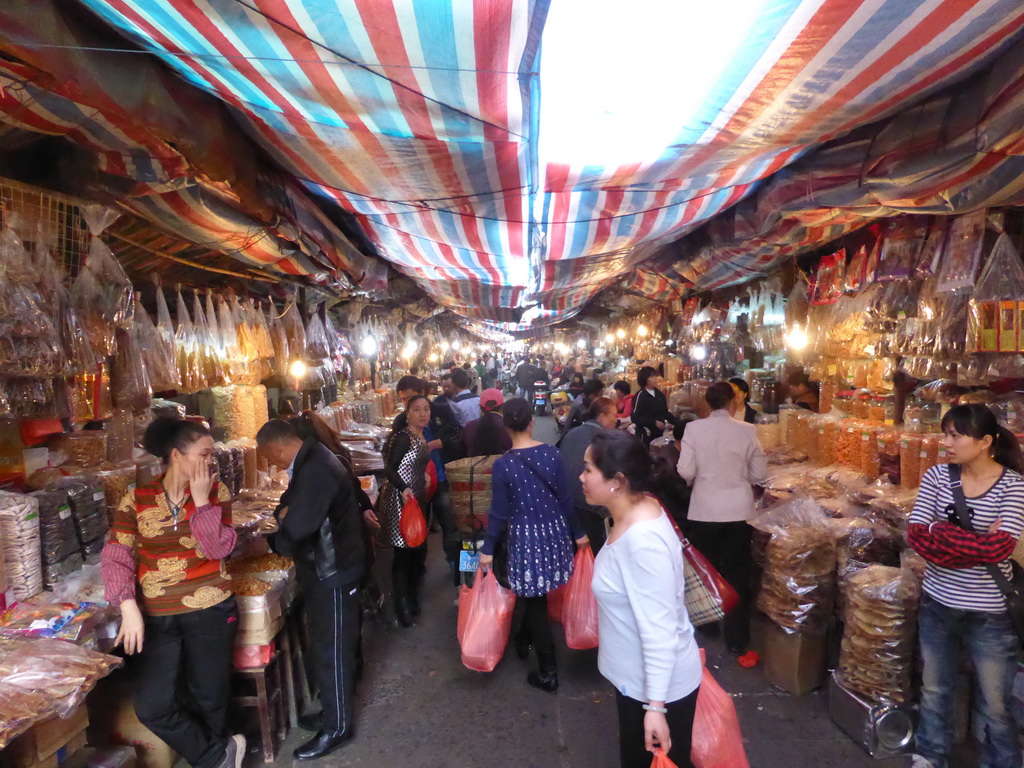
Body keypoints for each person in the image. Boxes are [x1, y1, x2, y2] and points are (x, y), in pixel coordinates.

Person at [101, 418, 245, 768]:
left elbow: (217, 549)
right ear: (177, 455)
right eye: (205, 454)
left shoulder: (216, 493)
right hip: (158, 616)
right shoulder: (137, 499)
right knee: (153, 705)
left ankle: (212, 760)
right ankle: (219, 755)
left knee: (209, 697)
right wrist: (128, 606)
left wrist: (202, 503)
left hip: (211, 609)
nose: (211, 462)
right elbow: (116, 555)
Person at [906, 404, 1024, 768]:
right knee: (934, 690)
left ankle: (1002, 762)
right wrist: (964, 545)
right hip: (938, 603)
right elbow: (916, 536)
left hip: (990, 613)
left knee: (996, 703)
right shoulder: (938, 477)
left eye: (955, 435)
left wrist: (942, 535)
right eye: (946, 434)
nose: (946, 443)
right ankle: (930, 755)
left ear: (985, 441)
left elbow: (1001, 546)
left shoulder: (1015, 486)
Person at [581, 431, 702, 768]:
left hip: (655, 691)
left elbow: (659, 631)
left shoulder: (642, 542)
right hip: (637, 683)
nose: (581, 477)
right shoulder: (636, 509)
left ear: (617, 480)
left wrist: (656, 709)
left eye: (588, 469)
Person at [256, 419, 366, 760]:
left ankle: (337, 727)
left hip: (333, 571)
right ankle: (334, 712)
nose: (272, 464)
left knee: (332, 650)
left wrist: (274, 541)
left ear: (275, 448)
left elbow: (298, 527)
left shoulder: (315, 468)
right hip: (328, 569)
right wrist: (283, 514)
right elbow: (287, 505)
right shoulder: (311, 459)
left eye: (268, 457)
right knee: (327, 646)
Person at [478, 398, 588, 693]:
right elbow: (565, 498)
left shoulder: (502, 466)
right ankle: (524, 639)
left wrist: (487, 549)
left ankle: (548, 672)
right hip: (555, 536)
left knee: (535, 600)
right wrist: (578, 533)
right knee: (537, 595)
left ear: (505, 426)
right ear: (531, 422)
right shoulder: (552, 454)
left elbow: (498, 512)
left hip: (525, 541)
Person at [677, 381, 767, 655]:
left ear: (708, 404)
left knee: (707, 570)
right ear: (732, 403)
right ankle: (737, 637)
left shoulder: (694, 429)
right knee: (737, 574)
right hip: (739, 512)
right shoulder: (747, 430)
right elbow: (759, 474)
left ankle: (707, 624)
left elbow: (685, 470)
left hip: (704, 510)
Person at [392, 376, 463, 585]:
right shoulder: (400, 421)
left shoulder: (440, 411)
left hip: (441, 479)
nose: (408, 404)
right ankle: (417, 570)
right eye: (404, 400)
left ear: (423, 393)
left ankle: (458, 572)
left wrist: (434, 444)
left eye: (410, 398)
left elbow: (458, 436)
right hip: (415, 486)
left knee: (450, 528)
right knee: (417, 528)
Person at [370, 395, 432, 627]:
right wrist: (404, 487)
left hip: (415, 500)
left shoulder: (420, 435)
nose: (423, 414)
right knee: (404, 554)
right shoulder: (404, 438)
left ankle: (411, 598)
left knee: (417, 549)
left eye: (426, 409)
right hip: (400, 500)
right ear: (408, 413)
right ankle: (402, 606)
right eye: (417, 410)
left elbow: (412, 463)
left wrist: (422, 473)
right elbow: (390, 469)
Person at [560, 396, 617, 553]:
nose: (616, 419)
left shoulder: (572, 433)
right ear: (601, 416)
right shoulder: (603, 440)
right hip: (589, 506)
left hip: (565, 503)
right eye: (614, 414)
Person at [631, 366, 677, 446]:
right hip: (645, 436)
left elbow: (664, 412)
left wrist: (677, 422)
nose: (655, 379)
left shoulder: (659, 395)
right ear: (645, 379)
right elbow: (635, 417)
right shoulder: (641, 395)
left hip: (659, 435)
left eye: (656, 376)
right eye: (652, 377)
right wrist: (654, 422)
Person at [462, 388, 512, 457]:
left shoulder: (469, 426)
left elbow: (462, 453)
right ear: (502, 407)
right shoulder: (509, 426)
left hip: (475, 466)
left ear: (480, 407)